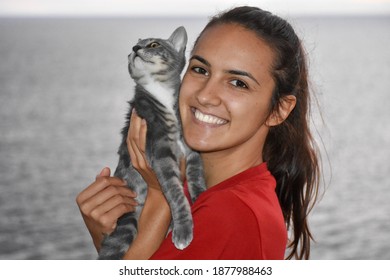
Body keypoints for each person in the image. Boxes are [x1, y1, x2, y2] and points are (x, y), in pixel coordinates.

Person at [76, 6, 321, 260]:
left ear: (279, 110)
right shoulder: (213, 192)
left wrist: (161, 197)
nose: (204, 95)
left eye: (238, 83)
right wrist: (112, 240)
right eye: (200, 70)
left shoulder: (229, 214)